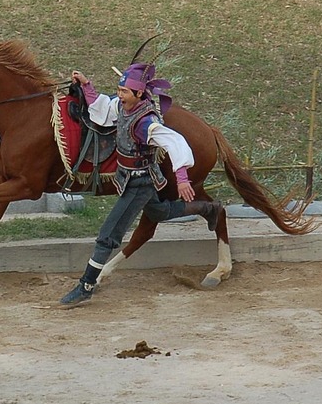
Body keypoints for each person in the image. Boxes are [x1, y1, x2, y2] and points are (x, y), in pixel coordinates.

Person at [59, 61, 223, 307]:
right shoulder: (123, 107)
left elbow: (174, 142)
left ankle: (86, 285)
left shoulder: (146, 122)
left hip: (140, 183)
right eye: (119, 90)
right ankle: (209, 208)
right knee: (160, 212)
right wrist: (86, 85)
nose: (119, 95)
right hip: (129, 178)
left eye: (124, 91)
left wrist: (181, 179)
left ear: (138, 94)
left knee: (108, 234)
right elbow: (103, 106)